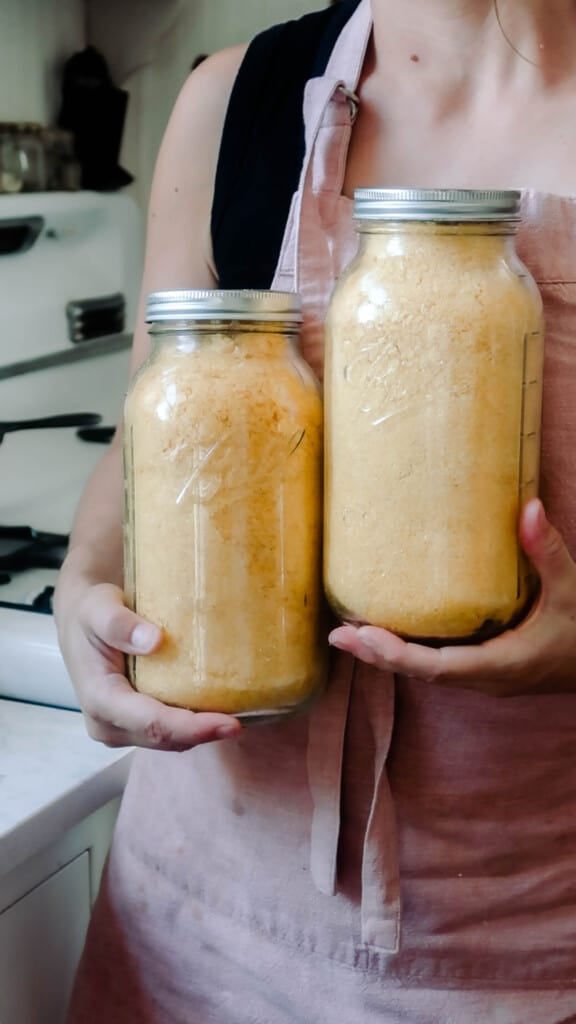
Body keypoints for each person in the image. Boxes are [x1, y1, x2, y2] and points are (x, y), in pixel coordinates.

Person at [55, 0, 576, 1020]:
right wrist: (84, 591)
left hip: (528, 953)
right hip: (191, 928)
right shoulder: (231, 100)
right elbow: (149, 432)